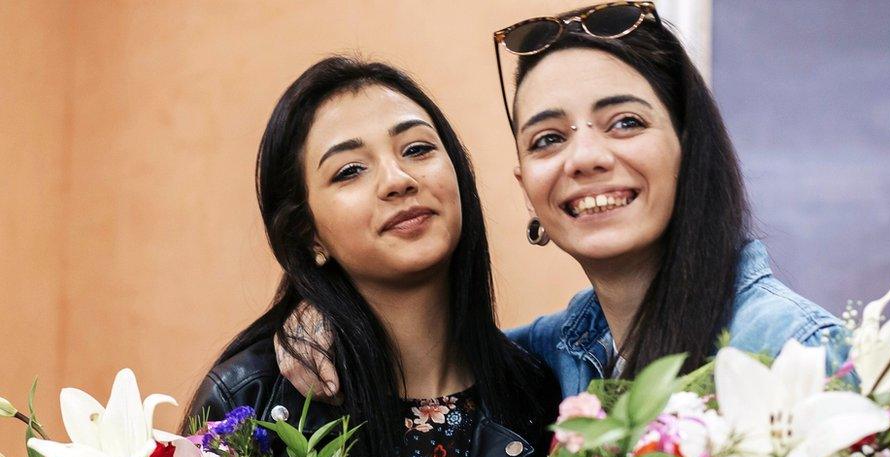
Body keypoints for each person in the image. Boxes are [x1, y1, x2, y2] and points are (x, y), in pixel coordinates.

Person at [279, 1, 849, 400]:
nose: (584, 158)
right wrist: (323, 311)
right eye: (549, 138)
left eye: (624, 122)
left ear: (690, 148)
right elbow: (444, 360)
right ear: (526, 188)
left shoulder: (794, 350)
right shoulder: (562, 352)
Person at [183, 56, 559, 457]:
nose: (398, 179)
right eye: (350, 170)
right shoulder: (252, 405)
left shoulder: (541, 394)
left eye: (418, 148)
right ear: (306, 234)